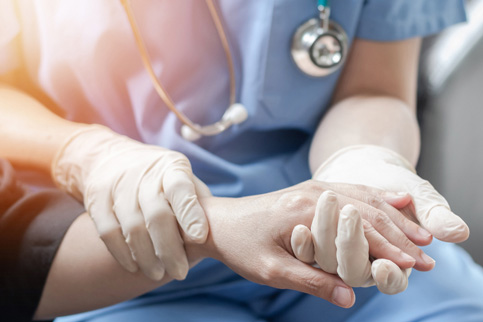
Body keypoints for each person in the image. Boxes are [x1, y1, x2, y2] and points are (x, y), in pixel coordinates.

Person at [1, 0, 483, 321]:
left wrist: (363, 160)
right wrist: (82, 152)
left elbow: (375, 87)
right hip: (134, 259)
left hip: (343, 239)